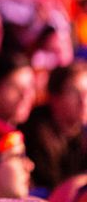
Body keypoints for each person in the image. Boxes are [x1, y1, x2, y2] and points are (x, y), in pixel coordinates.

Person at [20, 60, 87, 194]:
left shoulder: (82, 133)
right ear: (55, 97)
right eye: (74, 92)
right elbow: (50, 189)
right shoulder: (34, 132)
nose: (83, 100)